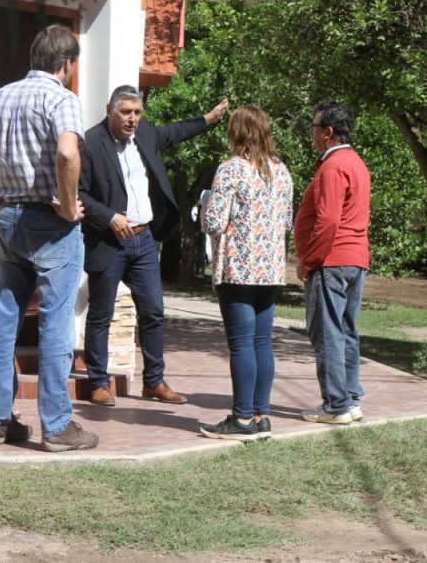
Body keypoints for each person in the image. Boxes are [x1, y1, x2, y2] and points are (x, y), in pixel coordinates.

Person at [0, 24, 97, 452]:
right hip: (50, 223)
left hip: (8, 219)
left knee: (3, 322)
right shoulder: (62, 99)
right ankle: (57, 427)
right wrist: (67, 207)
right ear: (67, 64)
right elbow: (68, 152)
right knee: (54, 324)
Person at [79, 85, 228, 406]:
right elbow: (79, 194)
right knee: (101, 315)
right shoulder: (90, 143)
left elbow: (174, 133)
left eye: (137, 113)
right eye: (126, 112)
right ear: (109, 110)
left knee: (154, 312)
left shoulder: (144, 134)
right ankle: (98, 383)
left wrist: (207, 119)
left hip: (144, 240)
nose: (132, 119)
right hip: (109, 241)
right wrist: (108, 218)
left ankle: (154, 382)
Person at [199, 106, 293, 441]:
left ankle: (240, 419)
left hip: (238, 268)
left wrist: (205, 206)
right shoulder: (281, 172)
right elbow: (286, 223)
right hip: (269, 269)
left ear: (236, 133)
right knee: (261, 342)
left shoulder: (231, 170)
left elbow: (214, 222)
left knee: (240, 343)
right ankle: (260, 414)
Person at [294, 102, 371, 425]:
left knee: (327, 332)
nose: (310, 134)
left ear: (327, 133)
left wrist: (308, 260)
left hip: (332, 261)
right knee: (345, 331)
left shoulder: (333, 166)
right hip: (354, 260)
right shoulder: (356, 163)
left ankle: (336, 404)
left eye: (314, 128)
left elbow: (327, 221)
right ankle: (349, 399)